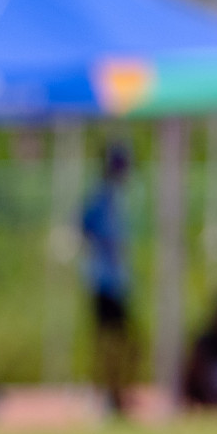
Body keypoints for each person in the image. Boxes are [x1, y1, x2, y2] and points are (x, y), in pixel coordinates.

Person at [81, 143, 136, 417]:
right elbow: (84, 228)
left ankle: (116, 392)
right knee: (108, 341)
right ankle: (108, 393)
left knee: (121, 341)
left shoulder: (116, 197)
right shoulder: (101, 198)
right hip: (104, 281)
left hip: (115, 281)